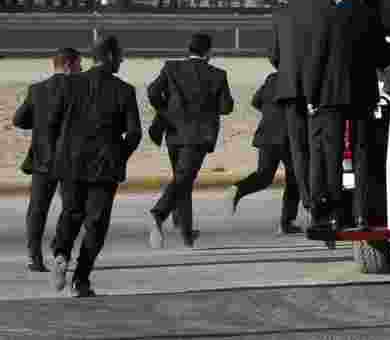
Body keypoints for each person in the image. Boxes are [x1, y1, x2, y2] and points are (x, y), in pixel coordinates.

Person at [50, 36, 141, 297]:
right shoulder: (124, 90)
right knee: (96, 223)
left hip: (70, 163)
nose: (122, 60)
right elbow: (134, 134)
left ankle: (60, 253)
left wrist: (61, 151)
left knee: (70, 213)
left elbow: (53, 122)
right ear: (111, 56)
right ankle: (81, 279)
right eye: (120, 55)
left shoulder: (69, 85)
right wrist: (118, 155)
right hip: (104, 167)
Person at [146, 33, 234, 248]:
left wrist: (167, 110)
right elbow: (226, 107)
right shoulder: (217, 75)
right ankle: (159, 213)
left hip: (174, 133)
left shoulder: (171, 68)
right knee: (183, 179)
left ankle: (186, 232)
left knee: (182, 180)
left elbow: (152, 92)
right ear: (208, 52)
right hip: (199, 135)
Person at [319, 0, 390, 229]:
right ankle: (362, 215)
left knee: (334, 155)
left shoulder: (327, 16)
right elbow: (383, 55)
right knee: (362, 155)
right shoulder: (368, 15)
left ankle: (337, 215)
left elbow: (318, 58)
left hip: (332, 93)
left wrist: (314, 94)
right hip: (362, 93)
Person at [271, 0, 335, 226]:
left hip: (290, 88)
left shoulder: (282, 13)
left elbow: (274, 55)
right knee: (320, 145)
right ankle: (323, 199)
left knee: (298, 150)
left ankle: (308, 200)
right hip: (321, 87)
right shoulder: (327, 9)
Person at [14, 47, 82, 271]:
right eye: (80, 65)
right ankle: (60, 249)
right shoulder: (82, 89)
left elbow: (19, 120)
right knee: (72, 208)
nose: (82, 69)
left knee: (37, 209)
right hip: (71, 159)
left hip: (42, 158)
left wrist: (41, 122)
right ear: (70, 64)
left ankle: (35, 257)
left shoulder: (37, 90)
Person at [227, 54, 301, 235]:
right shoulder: (298, 79)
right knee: (294, 179)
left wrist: (271, 113)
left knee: (264, 176)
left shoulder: (271, 79)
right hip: (288, 137)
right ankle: (286, 223)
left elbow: (255, 101)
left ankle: (238, 189)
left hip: (267, 134)